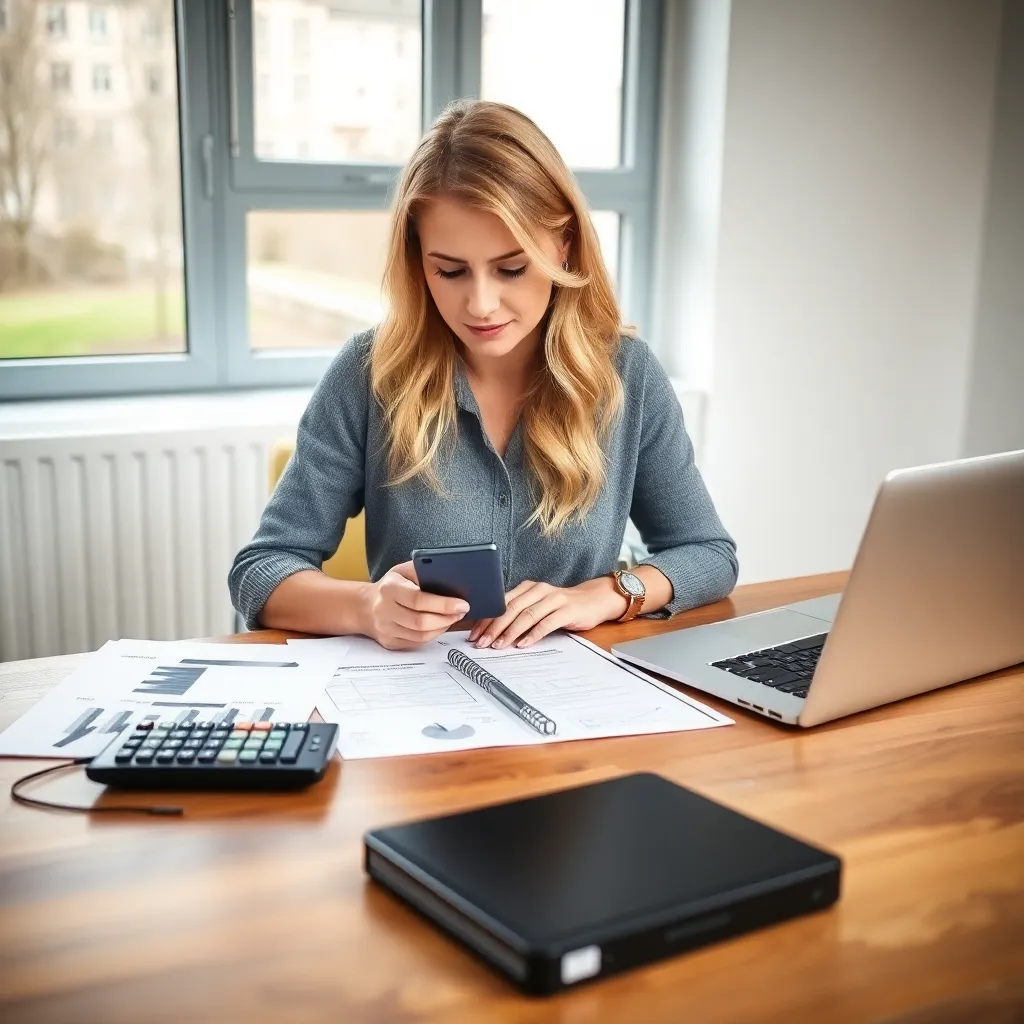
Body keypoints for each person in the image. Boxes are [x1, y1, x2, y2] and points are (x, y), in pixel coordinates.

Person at [229, 100, 737, 652]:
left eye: (511, 269)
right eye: (449, 270)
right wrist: (367, 606)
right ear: (417, 259)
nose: (481, 304)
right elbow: (261, 570)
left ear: (563, 245)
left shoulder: (625, 373)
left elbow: (707, 554)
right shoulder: (369, 373)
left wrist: (608, 593)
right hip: (418, 707)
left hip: (580, 710)